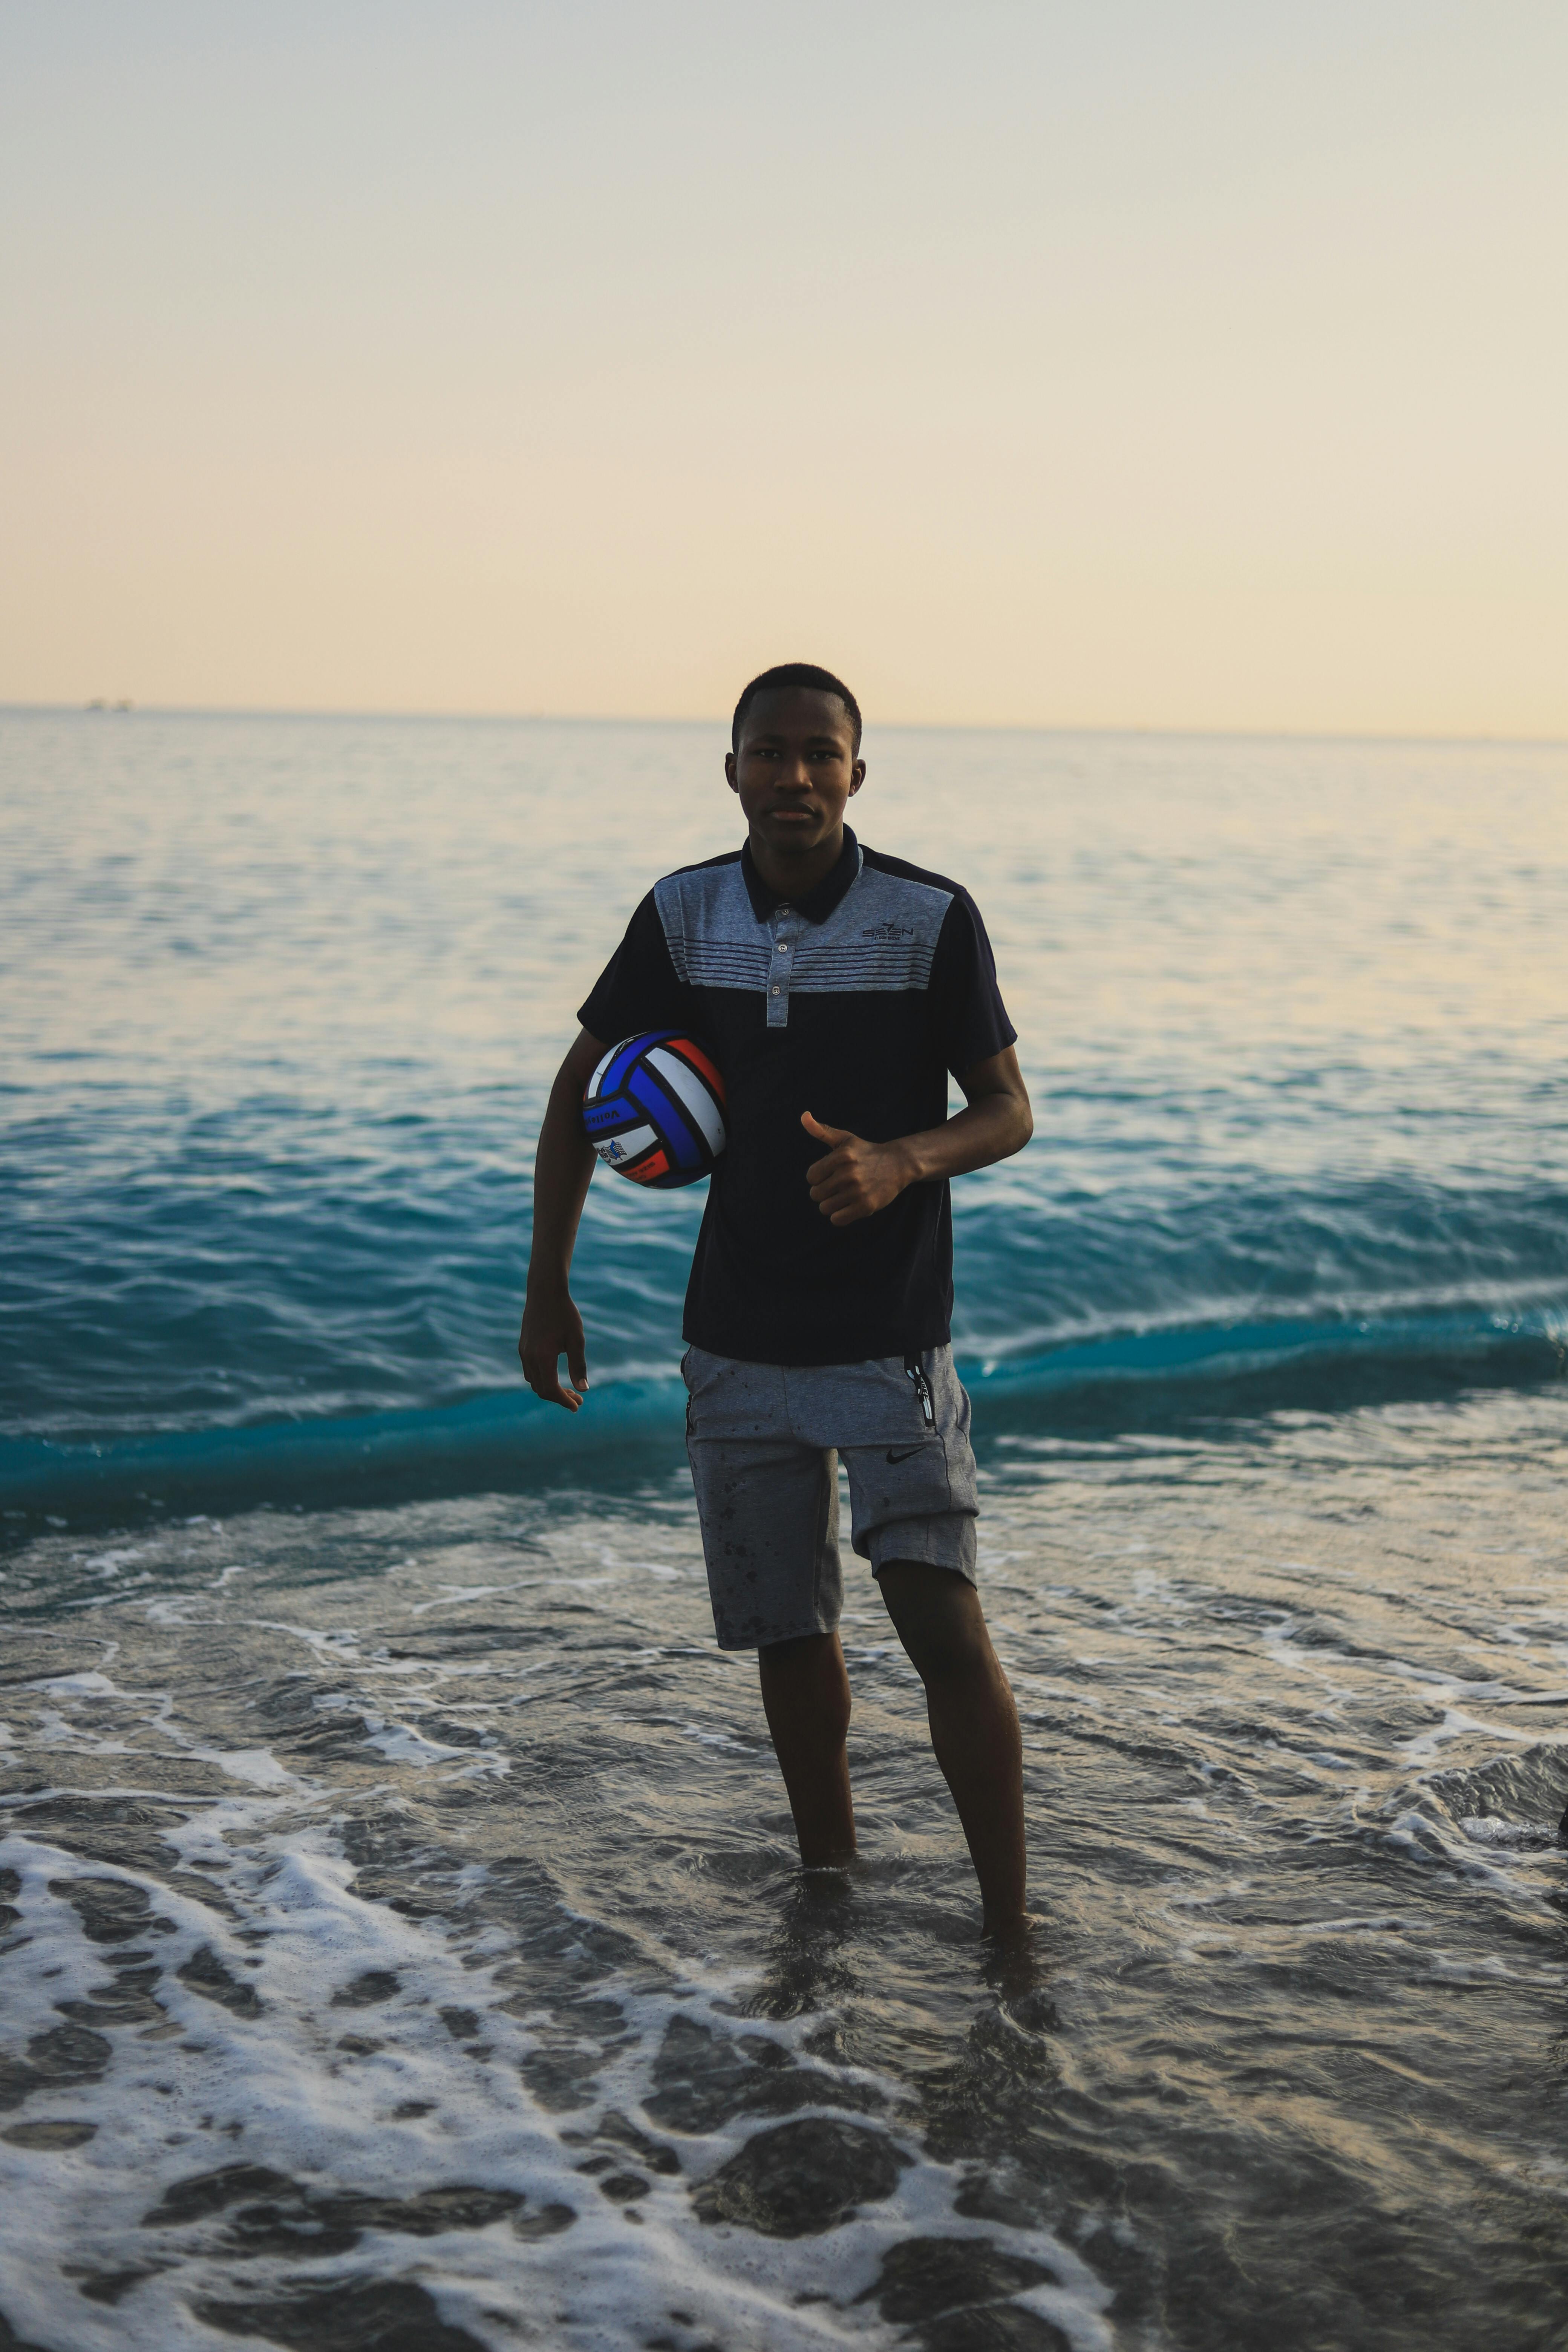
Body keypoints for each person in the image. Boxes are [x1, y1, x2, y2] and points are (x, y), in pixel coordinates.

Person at [519, 663, 1034, 1935]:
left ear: (859, 770)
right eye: (771, 753)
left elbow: (1009, 1111)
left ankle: (1013, 1932)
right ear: (732, 767)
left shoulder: (929, 917)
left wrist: (901, 1159)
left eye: (822, 754)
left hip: (887, 1339)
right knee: (789, 1641)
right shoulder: (682, 913)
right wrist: (548, 1285)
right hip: (735, 1344)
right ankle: (829, 1895)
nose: (795, 777)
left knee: (941, 1631)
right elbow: (578, 1094)